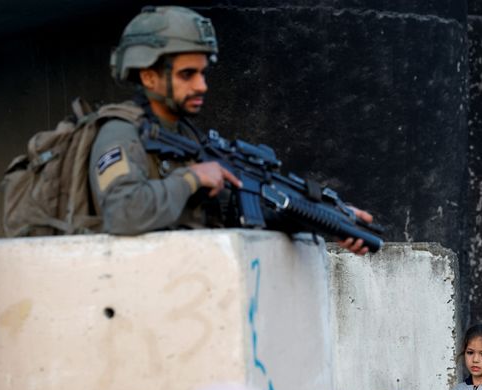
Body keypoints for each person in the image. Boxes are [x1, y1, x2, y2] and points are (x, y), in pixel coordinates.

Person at [92, 5, 372, 254]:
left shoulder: (187, 138)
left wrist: (332, 219)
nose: (202, 86)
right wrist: (192, 178)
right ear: (149, 76)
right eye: (187, 74)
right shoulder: (121, 133)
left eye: (203, 73)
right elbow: (122, 212)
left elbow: (239, 212)